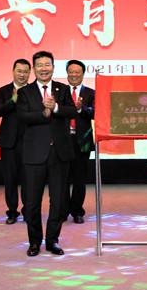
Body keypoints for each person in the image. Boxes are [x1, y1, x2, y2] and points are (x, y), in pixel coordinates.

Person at [17, 51, 77, 256]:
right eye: (40, 65)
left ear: (53, 67)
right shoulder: (25, 92)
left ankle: (52, 241)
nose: (44, 68)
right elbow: (22, 116)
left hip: (59, 153)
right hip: (34, 153)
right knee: (32, 202)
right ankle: (34, 242)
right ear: (34, 68)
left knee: (58, 201)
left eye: (47, 64)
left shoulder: (63, 89)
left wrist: (56, 107)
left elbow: (72, 111)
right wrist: (43, 113)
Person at [0, 59, 31, 224]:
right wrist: (12, 100)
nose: (22, 74)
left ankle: (28, 211)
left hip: (29, 141)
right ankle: (12, 212)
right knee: (10, 180)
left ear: (29, 73)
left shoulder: (33, 90)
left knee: (28, 180)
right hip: (8, 142)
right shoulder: (3, 91)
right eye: (19, 71)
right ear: (13, 71)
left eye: (25, 71)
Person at [63, 59, 95, 225]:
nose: (74, 75)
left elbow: (95, 113)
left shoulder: (91, 93)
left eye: (77, 72)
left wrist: (82, 108)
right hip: (63, 140)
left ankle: (77, 211)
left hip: (82, 141)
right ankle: (62, 211)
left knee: (79, 179)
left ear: (83, 74)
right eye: (71, 72)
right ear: (67, 73)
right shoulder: (60, 91)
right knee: (62, 178)